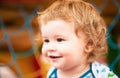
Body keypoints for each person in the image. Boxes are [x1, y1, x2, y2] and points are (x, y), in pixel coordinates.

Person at [37, 0, 119, 78]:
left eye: (59, 40)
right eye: (46, 40)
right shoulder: (52, 72)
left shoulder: (101, 74)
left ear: (88, 44)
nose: (50, 47)